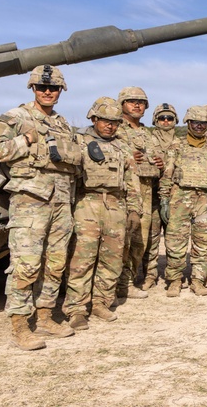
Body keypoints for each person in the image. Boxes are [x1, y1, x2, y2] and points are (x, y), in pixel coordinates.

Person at [0, 64, 81, 350]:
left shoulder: (63, 124)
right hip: (30, 201)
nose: (48, 92)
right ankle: (19, 326)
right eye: (42, 87)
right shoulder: (17, 117)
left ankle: (45, 318)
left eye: (53, 88)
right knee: (26, 265)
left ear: (61, 91)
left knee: (55, 264)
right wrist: (24, 140)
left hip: (61, 202)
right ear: (33, 88)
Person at [64, 97, 141, 330]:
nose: (110, 126)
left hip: (116, 205)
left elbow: (132, 179)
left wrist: (134, 210)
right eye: (105, 121)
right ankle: (76, 309)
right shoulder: (78, 141)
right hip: (87, 203)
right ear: (94, 119)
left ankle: (101, 302)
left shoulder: (122, 146)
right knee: (82, 258)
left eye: (115, 122)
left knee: (112, 258)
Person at [159, 106, 207, 297]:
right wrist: (164, 199)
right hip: (179, 199)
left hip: (203, 200)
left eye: (203, 123)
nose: (199, 126)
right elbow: (167, 174)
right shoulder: (177, 145)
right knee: (175, 242)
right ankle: (175, 280)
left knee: (203, 243)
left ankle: (198, 280)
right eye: (195, 123)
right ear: (188, 123)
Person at [116, 86, 165, 299]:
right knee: (121, 239)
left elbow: (156, 160)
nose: (137, 105)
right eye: (131, 101)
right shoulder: (115, 129)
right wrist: (125, 157)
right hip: (123, 191)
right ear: (122, 104)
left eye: (141, 102)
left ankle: (126, 283)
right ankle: (113, 285)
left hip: (146, 190)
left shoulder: (147, 134)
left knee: (140, 240)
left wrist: (161, 164)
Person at [142, 103, 179, 290]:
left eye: (169, 118)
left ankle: (174, 276)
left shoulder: (181, 143)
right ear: (155, 120)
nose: (166, 121)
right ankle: (150, 274)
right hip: (153, 196)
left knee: (174, 239)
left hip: (175, 198)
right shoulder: (147, 141)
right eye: (162, 118)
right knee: (152, 238)